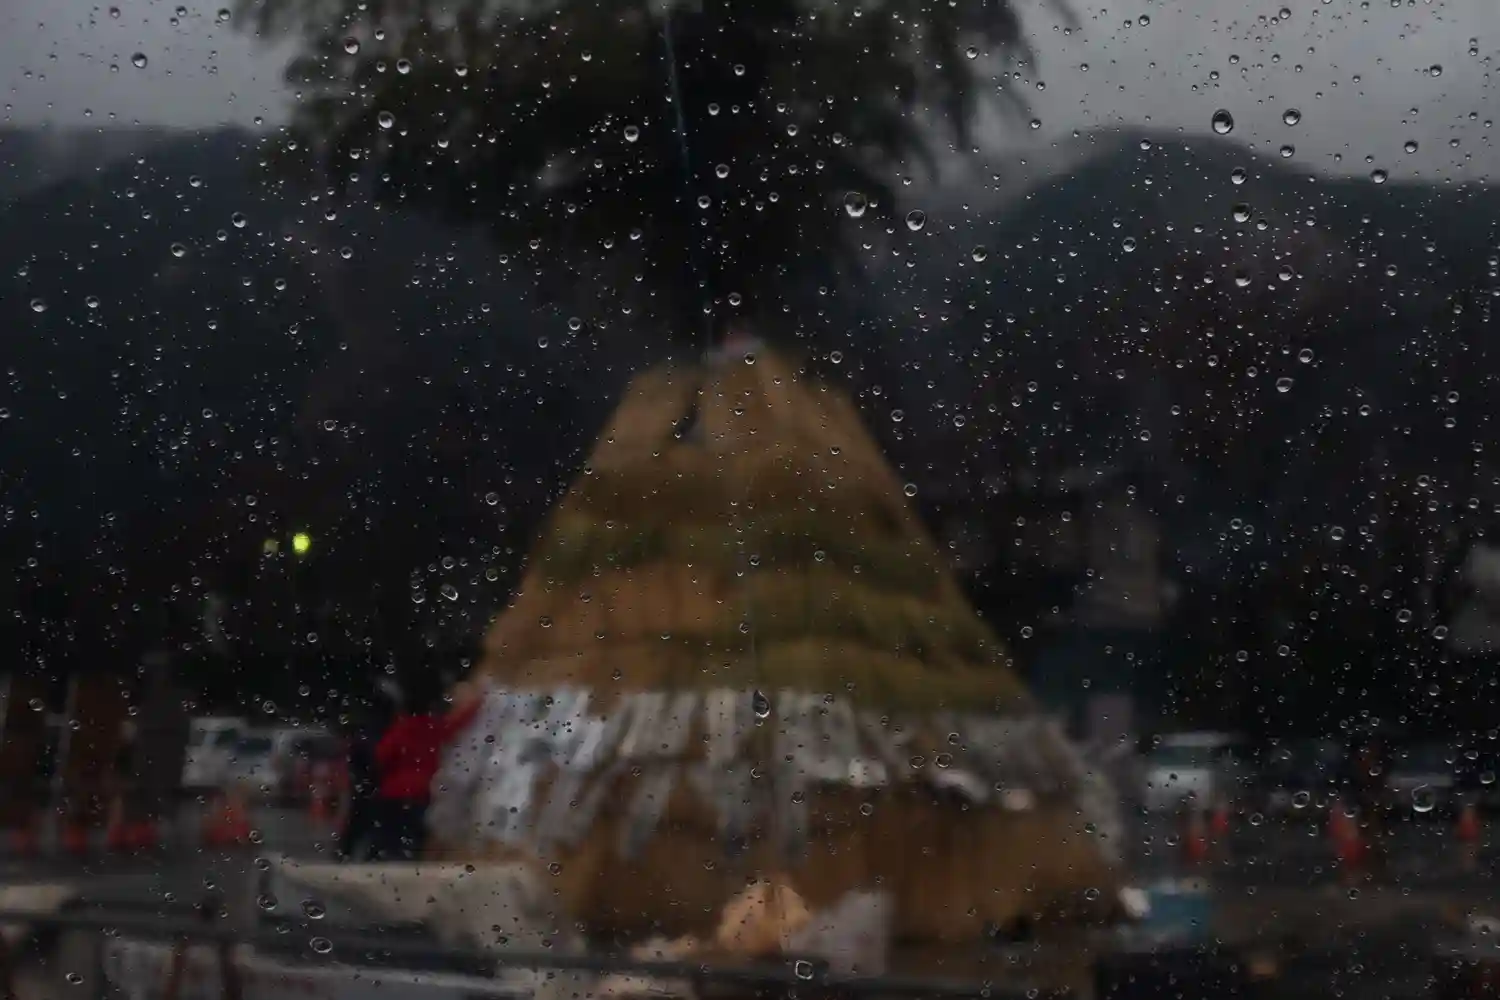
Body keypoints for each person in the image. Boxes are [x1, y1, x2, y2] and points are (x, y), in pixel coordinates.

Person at [368, 650, 484, 861]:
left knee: (390, 840)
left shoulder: (402, 727)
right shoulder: (434, 728)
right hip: (422, 794)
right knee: (413, 841)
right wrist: (478, 704)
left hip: (393, 793)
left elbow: (381, 755)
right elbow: (456, 725)